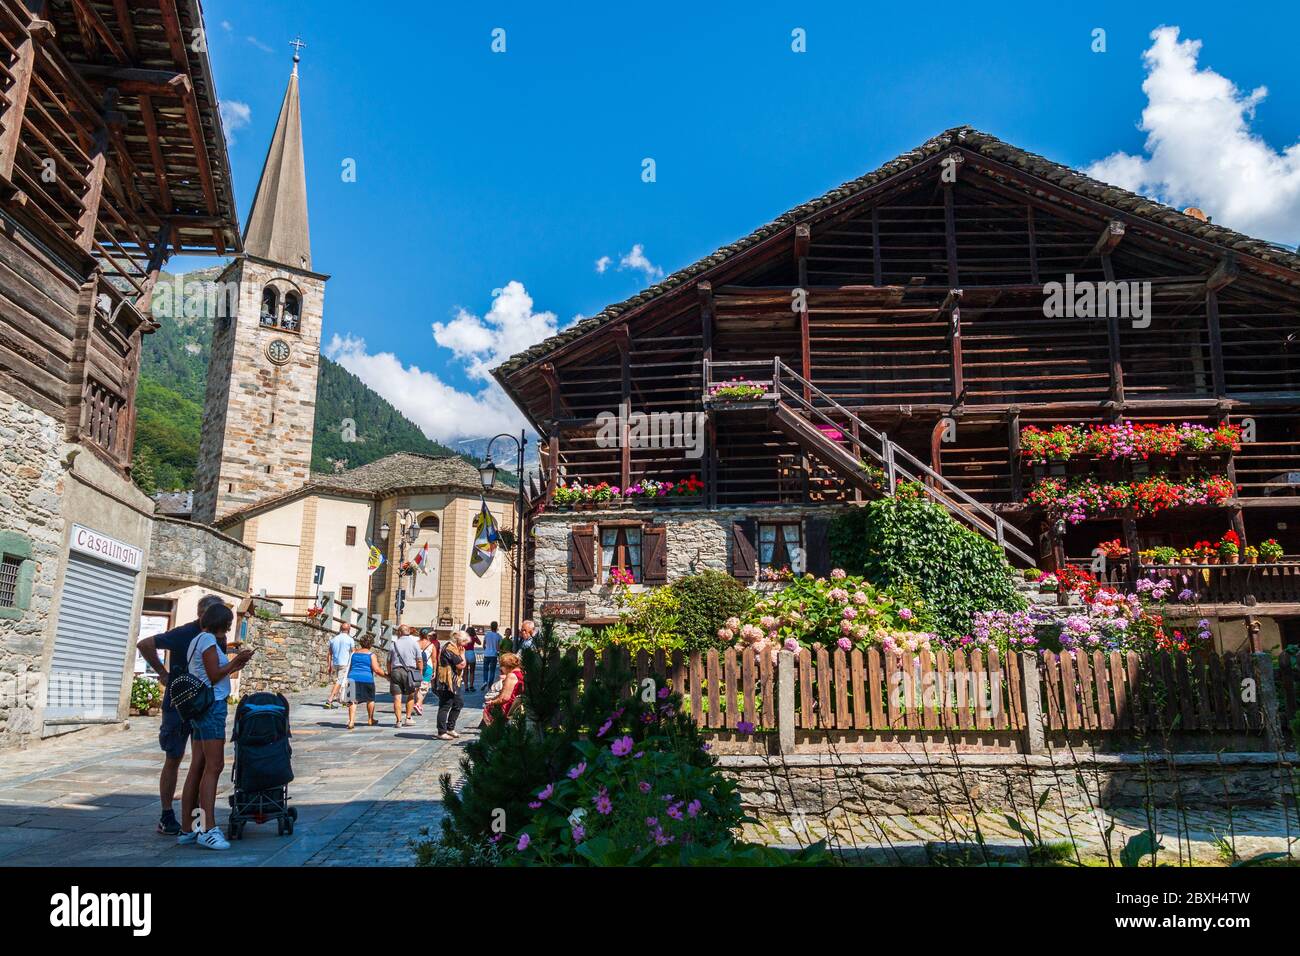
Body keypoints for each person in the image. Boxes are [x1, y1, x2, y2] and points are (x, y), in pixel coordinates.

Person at [136, 593, 225, 835]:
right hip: (178, 705)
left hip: (203, 707)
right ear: (202, 614)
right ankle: (167, 814)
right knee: (174, 758)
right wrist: (162, 673)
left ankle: (193, 818)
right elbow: (144, 644)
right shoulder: (184, 633)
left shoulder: (218, 636)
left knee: (200, 762)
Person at [178, 603, 254, 850]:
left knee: (197, 767)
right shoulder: (208, 641)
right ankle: (208, 829)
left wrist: (234, 664)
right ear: (223, 623)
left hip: (200, 708)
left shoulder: (196, 640)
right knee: (214, 766)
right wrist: (235, 662)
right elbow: (213, 675)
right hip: (211, 708)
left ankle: (189, 827)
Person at [345, 635, 387, 729]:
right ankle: (370, 719)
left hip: (352, 678)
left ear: (361, 643)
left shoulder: (354, 654)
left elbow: (350, 666)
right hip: (367, 679)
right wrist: (386, 676)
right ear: (371, 644)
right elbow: (376, 669)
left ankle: (351, 721)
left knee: (353, 700)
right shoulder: (371, 655)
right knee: (370, 699)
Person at [389, 625, 423, 728]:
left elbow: (389, 661)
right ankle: (408, 718)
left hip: (396, 671)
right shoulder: (415, 644)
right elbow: (419, 660)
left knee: (397, 697)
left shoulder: (393, 644)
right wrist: (420, 672)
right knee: (411, 695)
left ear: (399, 632)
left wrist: (390, 672)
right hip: (410, 672)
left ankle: (398, 721)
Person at [436, 632, 468, 739]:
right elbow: (461, 665)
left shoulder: (455, 648)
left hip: (453, 682)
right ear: (458, 640)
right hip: (447, 682)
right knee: (445, 705)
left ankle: (450, 728)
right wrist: (463, 655)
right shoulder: (450, 648)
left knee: (458, 703)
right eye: (463, 642)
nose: (464, 645)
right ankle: (441, 731)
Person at [482, 652, 524, 726]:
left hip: (510, 707)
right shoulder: (521, 672)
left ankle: (493, 732)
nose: (500, 669)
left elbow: (504, 698)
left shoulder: (511, 675)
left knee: (487, 708)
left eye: (501, 666)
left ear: (506, 666)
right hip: (518, 704)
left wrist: (492, 701)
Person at [324, 622, 354, 709]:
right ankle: (330, 700)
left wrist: (329, 665)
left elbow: (329, 653)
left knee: (341, 681)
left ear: (340, 629)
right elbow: (353, 652)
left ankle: (343, 700)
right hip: (345, 663)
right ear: (349, 629)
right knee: (340, 682)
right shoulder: (350, 639)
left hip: (336, 663)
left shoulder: (334, 639)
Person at [414, 631, 436, 717]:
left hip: (416, 666)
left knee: (417, 687)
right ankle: (418, 704)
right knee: (424, 687)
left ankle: (419, 706)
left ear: (419, 634)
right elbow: (434, 660)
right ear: (427, 635)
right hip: (428, 667)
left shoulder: (415, 644)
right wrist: (434, 670)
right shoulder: (431, 645)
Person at [481, 621, 502, 689]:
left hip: (487, 654)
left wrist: (486, 650)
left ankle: (485, 681)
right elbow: (498, 647)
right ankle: (490, 685)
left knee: (485, 669)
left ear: (490, 627)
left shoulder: (487, 634)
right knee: (492, 671)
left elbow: (483, 645)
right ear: (497, 627)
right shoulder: (499, 636)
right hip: (494, 655)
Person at [463, 626, 479, 692]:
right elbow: (479, 643)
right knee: (472, 672)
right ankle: (471, 686)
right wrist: (476, 637)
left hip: (465, 653)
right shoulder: (474, 637)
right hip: (471, 653)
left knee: (465, 672)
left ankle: (466, 687)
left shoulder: (464, 638)